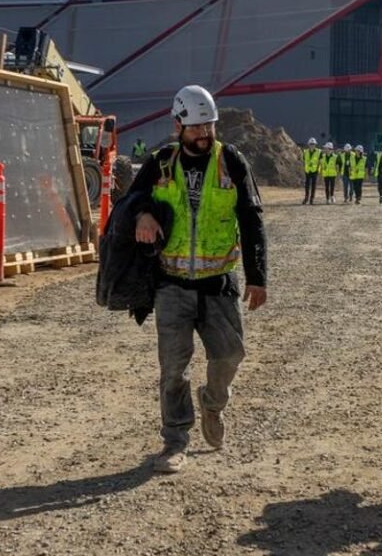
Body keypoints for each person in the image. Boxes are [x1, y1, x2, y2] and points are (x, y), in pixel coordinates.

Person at [127, 85, 268, 474]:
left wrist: (258, 277)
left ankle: (213, 402)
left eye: (210, 125)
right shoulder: (161, 162)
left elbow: (252, 219)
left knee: (230, 354)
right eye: (196, 128)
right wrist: (143, 214)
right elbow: (131, 200)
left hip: (218, 281)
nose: (204, 134)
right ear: (178, 126)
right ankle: (175, 441)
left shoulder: (231, 161)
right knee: (174, 369)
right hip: (172, 283)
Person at [301, 138, 321, 205]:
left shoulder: (319, 152)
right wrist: (305, 168)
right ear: (308, 145)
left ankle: (312, 198)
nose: (312, 145)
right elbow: (304, 161)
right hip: (308, 171)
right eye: (311, 144)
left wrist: (319, 169)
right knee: (307, 185)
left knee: (313, 185)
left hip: (315, 171)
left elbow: (320, 162)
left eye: (313, 144)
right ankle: (306, 198)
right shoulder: (305, 152)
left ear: (315, 145)